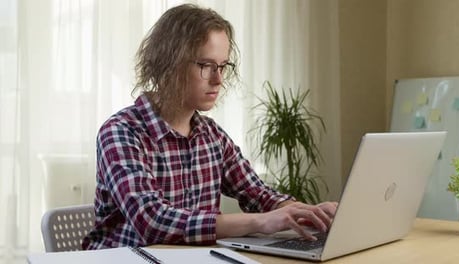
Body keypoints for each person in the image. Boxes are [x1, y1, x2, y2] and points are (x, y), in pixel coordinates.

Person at [82, 3, 337, 250]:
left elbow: (258, 194)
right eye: (205, 65)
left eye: (223, 66)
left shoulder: (211, 135)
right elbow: (153, 222)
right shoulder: (120, 132)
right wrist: (261, 222)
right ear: (168, 63)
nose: (218, 79)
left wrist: (306, 212)